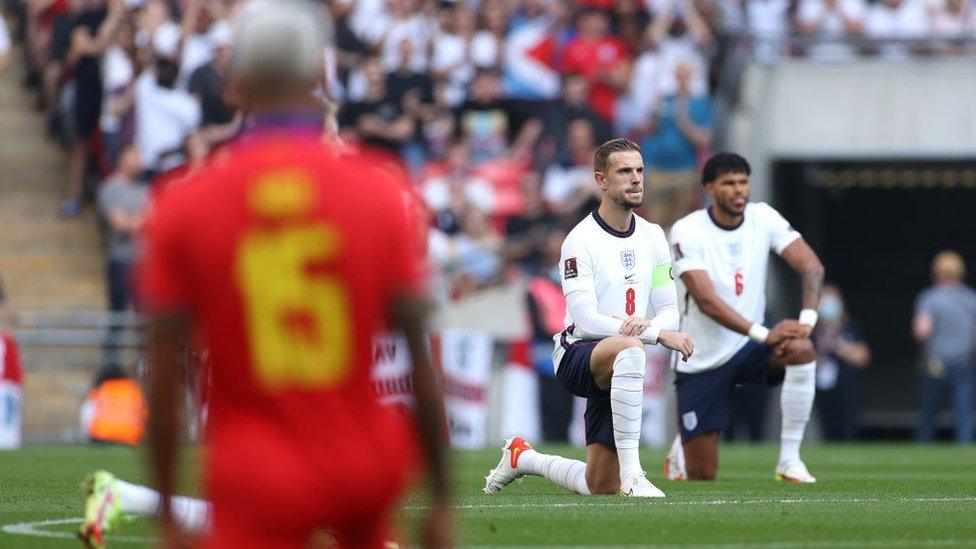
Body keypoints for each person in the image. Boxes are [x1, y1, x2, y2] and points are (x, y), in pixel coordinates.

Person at [78, 3, 451, 548]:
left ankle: (134, 498)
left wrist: (165, 510)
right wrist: (440, 500)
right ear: (319, 80)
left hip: (254, 458)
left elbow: (162, 369)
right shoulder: (379, 191)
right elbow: (420, 352)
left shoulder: (188, 202)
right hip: (362, 457)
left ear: (235, 89)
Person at [483, 138, 694, 498]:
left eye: (640, 170)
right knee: (630, 348)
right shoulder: (580, 240)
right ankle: (634, 476)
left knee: (598, 485)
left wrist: (652, 328)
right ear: (601, 180)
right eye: (624, 171)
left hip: (622, 361)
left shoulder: (655, 236)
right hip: (577, 354)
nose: (636, 179)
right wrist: (654, 335)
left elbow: (669, 309)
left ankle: (522, 458)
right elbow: (585, 321)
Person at [664, 152, 825, 483]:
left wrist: (807, 321)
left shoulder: (762, 217)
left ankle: (789, 460)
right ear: (709, 187)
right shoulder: (687, 230)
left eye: (743, 182)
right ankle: (681, 449)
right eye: (728, 183)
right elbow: (707, 301)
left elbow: (812, 267)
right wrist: (764, 334)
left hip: (750, 346)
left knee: (801, 350)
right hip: (701, 356)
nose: (738, 190)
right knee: (702, 475)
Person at [913, 251, 976, 444]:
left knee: (928, 416)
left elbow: (921, 331)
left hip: (936, 363)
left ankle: (922, 457)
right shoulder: (971, 298)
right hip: (964, 362)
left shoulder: (930, 298)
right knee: (964, 416)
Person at [814, 284, 871, 441]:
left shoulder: (851, 327)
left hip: (847, 385)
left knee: (847, 425)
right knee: (828, 426)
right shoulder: (813, 331)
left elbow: (863, 358)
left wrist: (842, 347)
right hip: (823, 386)